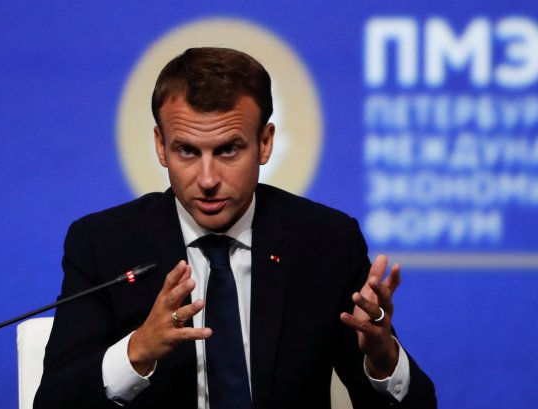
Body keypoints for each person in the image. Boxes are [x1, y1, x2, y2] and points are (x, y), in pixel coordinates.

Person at [34, 47, 436, 409]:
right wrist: (137, 351)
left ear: (264, 143)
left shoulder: (326, 242)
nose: (207, 179)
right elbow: (52, 402)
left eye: (228, 150)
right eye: (187, 151)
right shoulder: (104, 244)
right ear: (161, 145)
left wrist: (383, 361)